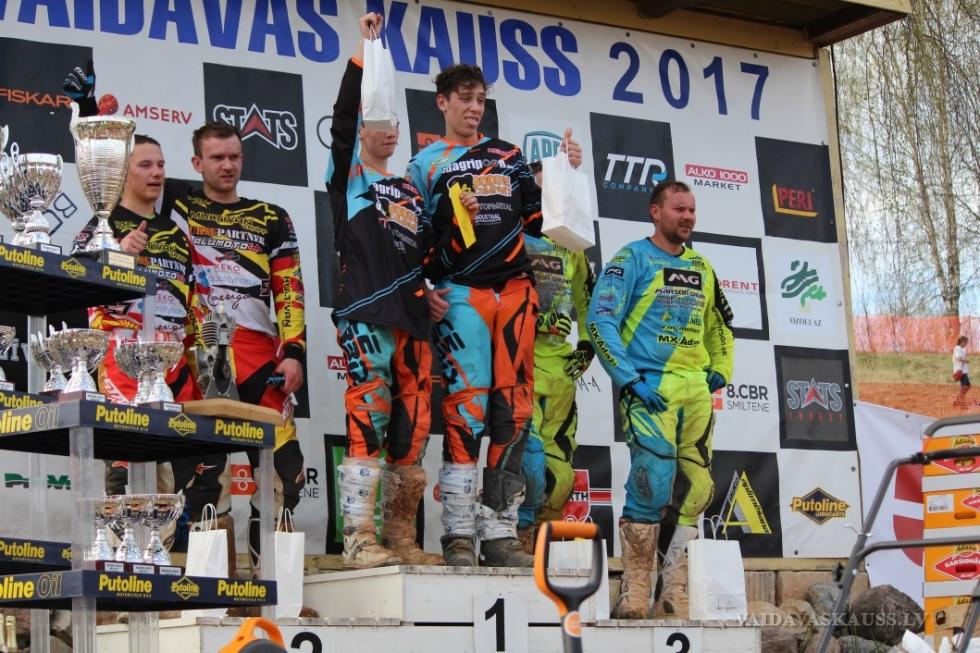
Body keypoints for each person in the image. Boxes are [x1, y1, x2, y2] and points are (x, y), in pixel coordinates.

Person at [406, 63, 581, 567]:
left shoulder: (509, 156)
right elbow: (411, 238)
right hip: (461, 293)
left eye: (480, 99)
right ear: (442, 102)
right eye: (465, 98)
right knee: (466, 409)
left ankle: (501, 534)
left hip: (517, 292)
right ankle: (459, 534)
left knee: (514, 412)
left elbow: (542, 221)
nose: (474, 107)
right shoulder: (424, 165)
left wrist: (566, 173)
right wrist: (422, 289)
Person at [326, 13, 462, 568]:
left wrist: (433, 291)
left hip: (414, 322)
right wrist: (362, 55)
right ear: (363, 131)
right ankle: (359, 539)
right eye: (377, 123)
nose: (388, 131)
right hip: (366, 313)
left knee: (413, 428)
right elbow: (341, 121)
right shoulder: (350, 180)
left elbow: (426, 255)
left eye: (394, 125)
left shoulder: (410, 190)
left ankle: (401, 539)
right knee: (368, 418)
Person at [587, 180, 734, 619]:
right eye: (678, 209)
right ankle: (635, 590)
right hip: (650, 390)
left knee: (697, 490)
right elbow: (600, 319)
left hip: (696, 395)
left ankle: (673, 591)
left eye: (692, 210)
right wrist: (629, 379)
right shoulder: (631, 258)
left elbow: (721, 326)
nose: (687, 217)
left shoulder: (702, 266)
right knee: (651, 483)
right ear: (655, 211)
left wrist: (721, 369)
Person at [175, 121, 308, 577]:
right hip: (201, 355)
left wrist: (295, 352)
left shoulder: (271, 217)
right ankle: (213, 594)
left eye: (234, 156)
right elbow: (124, 189)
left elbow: (289, 287)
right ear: (197, 163)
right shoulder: (177, 208)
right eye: (217, 158)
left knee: (286, 475)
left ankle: (274, 591)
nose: (227, 165)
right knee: (204, 482)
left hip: (259, 355)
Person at [70, 132, 200, 503]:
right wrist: (117, 255)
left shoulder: (176, 233)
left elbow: (193, 304)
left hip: (173, 362)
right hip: (122, 359)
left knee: (179, 475)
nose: (156, 173)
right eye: (145, 165)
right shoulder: (104, 226)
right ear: (124, 173)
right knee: (126, 466)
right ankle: (122, 537)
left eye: (160, 165)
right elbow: (71, 274)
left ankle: (165, 537)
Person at [517, 159, 595, 550]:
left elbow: (590, 301)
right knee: (529, 467)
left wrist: (587, 346)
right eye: (540, 187)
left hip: (560, 370)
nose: (547, 195)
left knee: (561, 476)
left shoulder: (571, 245)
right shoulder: (512, 237)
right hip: (520, 365)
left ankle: (541, 551)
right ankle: (515, 538)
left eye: (554, 188)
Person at [953, 335, 971, 406]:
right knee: (964, 386)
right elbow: (958, 358)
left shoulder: (961, 349)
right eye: (966, 343)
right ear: (962, 342)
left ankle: (958, 400)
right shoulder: (958, 348)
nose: (966, 344)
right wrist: (966, 361)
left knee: (968, 386)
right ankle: (960, 401)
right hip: (960, 371)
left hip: (963, 371)